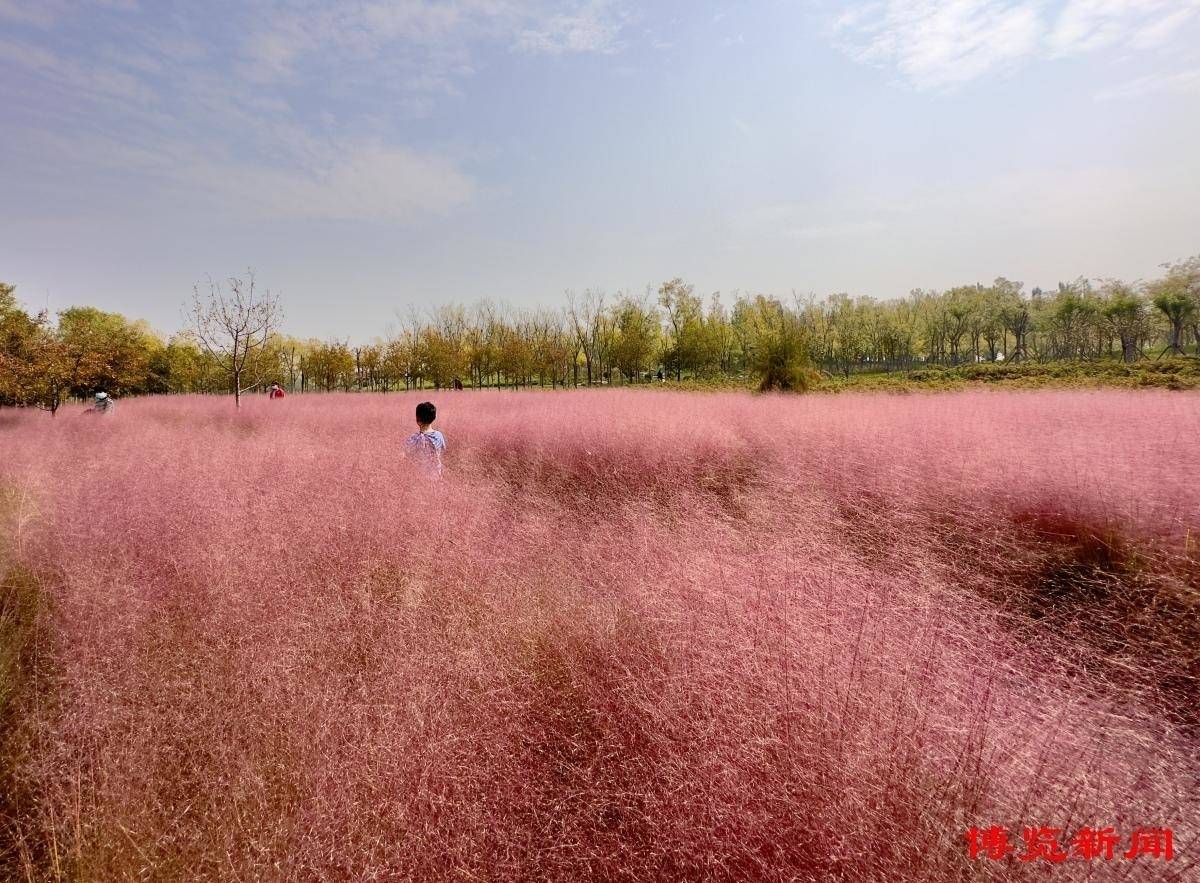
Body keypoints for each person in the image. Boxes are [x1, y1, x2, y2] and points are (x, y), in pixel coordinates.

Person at [404, 401, 446, 478]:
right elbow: (442, 450)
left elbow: (407, 455)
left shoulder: (413, 438)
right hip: (435, 474)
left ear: (417, 419)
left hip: (418, 477)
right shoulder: (439, 435)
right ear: (435, 417)